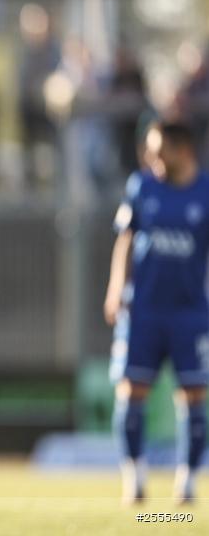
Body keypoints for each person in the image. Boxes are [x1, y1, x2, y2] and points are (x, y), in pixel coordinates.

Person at [104, 121, 209, 505]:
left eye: (158, 149)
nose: (151, 158)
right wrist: (117, 287)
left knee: (194, 395)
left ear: (183, 150)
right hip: (144, 311)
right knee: (131, 391)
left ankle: (187, 482)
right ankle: (134, 478)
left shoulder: (206, 192)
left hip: (191, 314)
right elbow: (126, 239)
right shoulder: (141, 186)